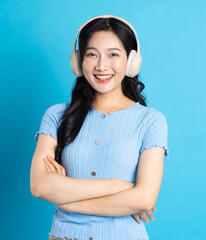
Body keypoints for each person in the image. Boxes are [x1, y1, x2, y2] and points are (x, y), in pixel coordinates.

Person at [30, 15, 169, 240]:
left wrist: (68, 201)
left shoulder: (151, 121)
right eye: (92, 54)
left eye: (113, 54)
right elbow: (39, 186)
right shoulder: (56, 116)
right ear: (78, 61)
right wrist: (119, 187)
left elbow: (143, 199)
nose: (102, 65)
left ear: (131, 61)